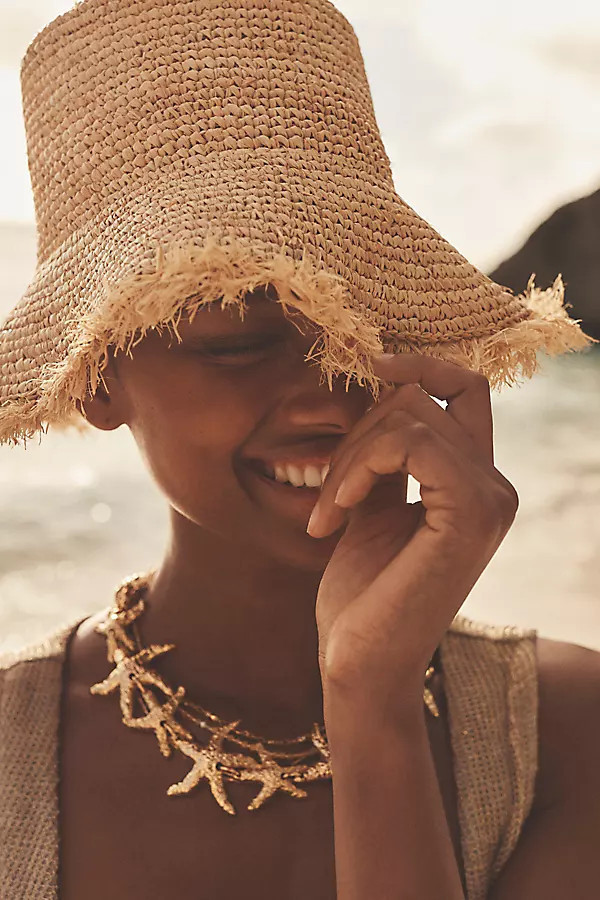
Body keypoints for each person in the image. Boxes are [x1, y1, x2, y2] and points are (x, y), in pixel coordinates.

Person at [0, 1, 599, 899]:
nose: (331, 391)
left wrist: (372, 697)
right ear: (97, 385)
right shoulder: (15, 752)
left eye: (365, 324)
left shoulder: (564, 726)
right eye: (237, 341)